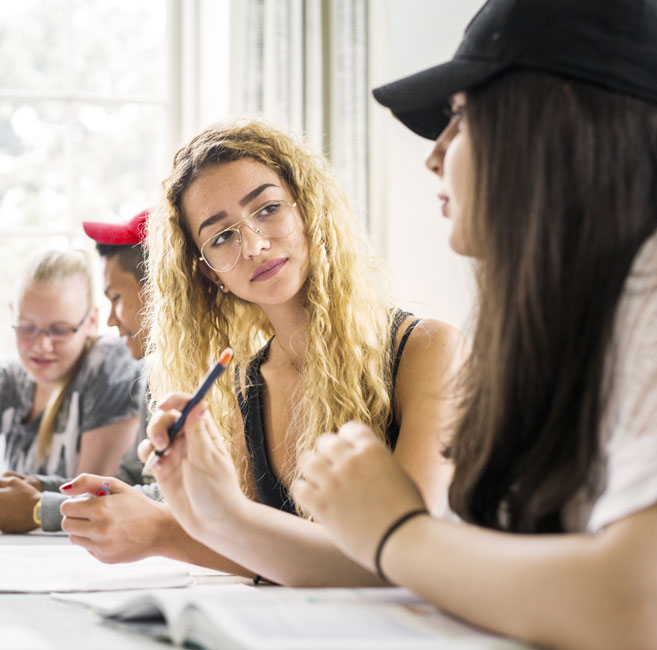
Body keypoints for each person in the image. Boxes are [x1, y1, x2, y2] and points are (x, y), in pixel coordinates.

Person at [290, 0, 657, 647]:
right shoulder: (570, 310)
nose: (434, 157)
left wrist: (398, 532)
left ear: (555, 118)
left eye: (457, 118)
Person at [128, 117, 463, 585]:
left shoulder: (427, 351)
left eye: (267, 209)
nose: (255, 245)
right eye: (221, 237)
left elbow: (403, 558)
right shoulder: (243, 387)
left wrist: (164, 529)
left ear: (307, 207)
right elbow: (256, 553)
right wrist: (188, 502)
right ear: (209, 275)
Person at [0, 249, 142, 531]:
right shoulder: (4, 382)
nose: (42, 345)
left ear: (91, 322)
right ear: (13, 315)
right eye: (27, 328)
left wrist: (31, 507)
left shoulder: (108, 366)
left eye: (59, 330)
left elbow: (90, 498)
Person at [0, 211, 163, 534]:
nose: (110, 321)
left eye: (116, 298)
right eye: (27, 327)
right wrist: (40, 486)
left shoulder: (205, 375)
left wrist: (42, 508)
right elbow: (126, 482)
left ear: (159, 292)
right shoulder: (154, 375)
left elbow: (171, 500)